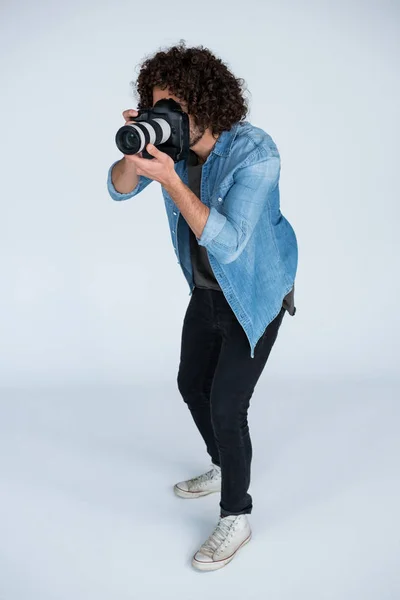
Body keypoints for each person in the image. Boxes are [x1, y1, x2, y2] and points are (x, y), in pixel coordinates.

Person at [107, 41, 298, 571]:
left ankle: (236, 514)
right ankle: (222, 464)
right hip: (206, 291)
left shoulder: (257, 154)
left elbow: (231, 242)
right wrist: (138, 154)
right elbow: (119, 190)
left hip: (255, 293)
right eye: (155, 106)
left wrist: (168, 179)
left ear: (206, 106)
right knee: (191, 383)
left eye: (173, 108)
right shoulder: (172, 149)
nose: (163, 117)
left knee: (226, 405)